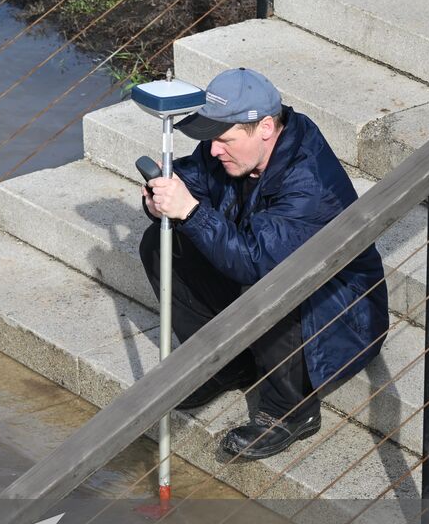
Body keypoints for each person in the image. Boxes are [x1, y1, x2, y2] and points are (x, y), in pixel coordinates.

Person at [139, 67, 388, 460]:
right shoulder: (230, 147)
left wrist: (190, 211)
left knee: (274, 280)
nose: (215, 149)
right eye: (212, 139)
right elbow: (195, 179)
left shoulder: (309, 185)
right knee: (161, 242)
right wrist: (160, 201)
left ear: (266, 128)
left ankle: (291, 412)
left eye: (224, 140)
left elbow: (257, 263)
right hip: (260, 272)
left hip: (338, 315)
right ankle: (227, 365)